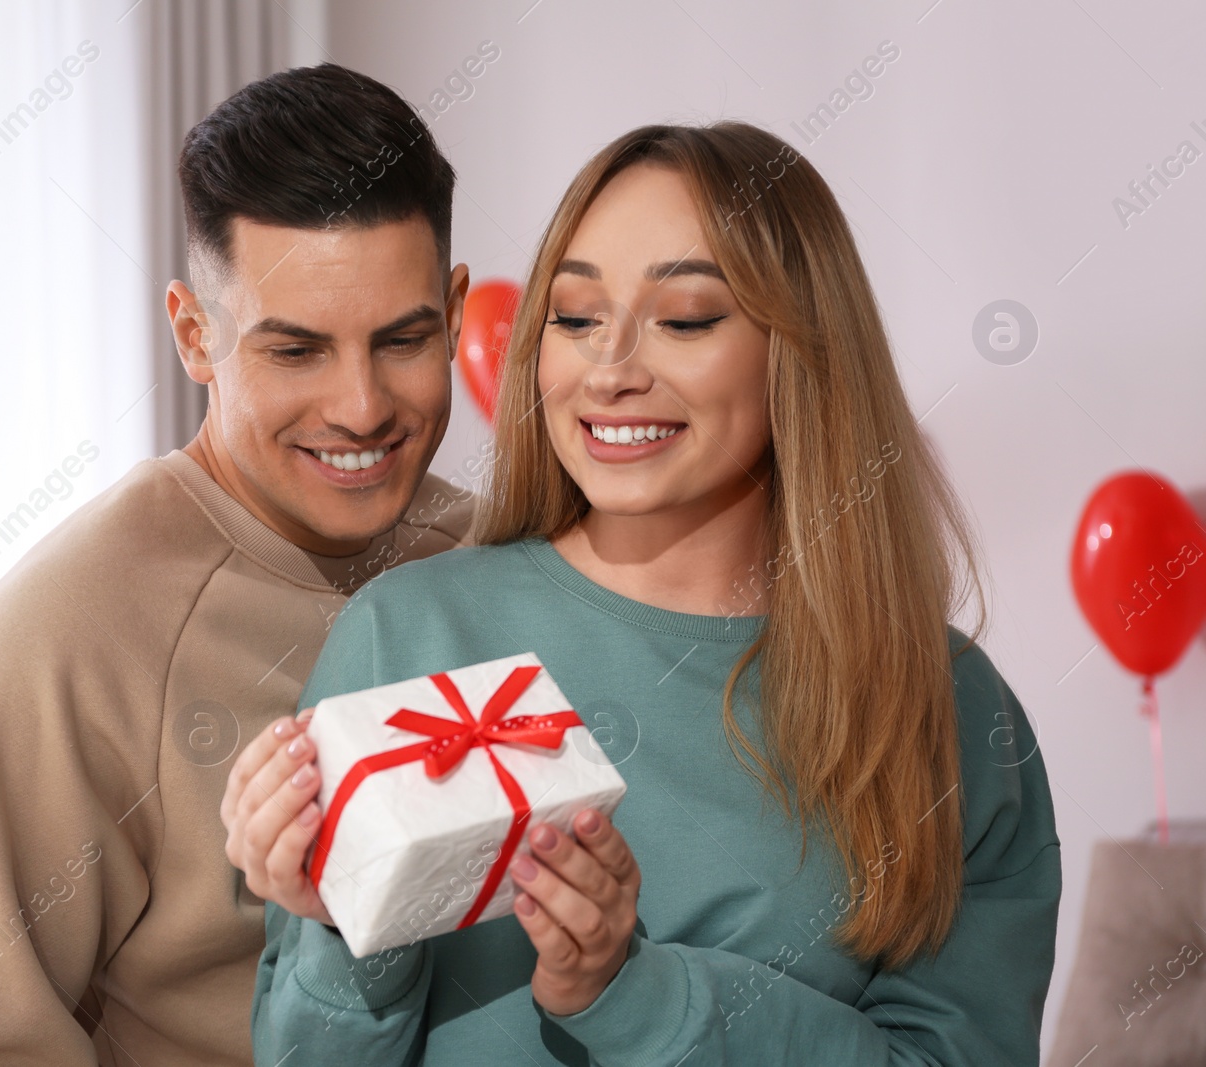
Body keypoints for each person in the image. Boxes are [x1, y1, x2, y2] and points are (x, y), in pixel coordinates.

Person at [223, 122, 1061, 1065]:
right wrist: (344, 923)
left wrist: (636, 994)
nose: (612, 370)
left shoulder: (950, 706)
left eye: (686, 318)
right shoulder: (406, 631)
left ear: (804, 353)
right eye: (575, 319)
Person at [0, 64, 475, 1067]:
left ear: (453, 312)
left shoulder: (509, 556)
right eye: (296, 351)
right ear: (195, 333)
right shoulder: (52, 640)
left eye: (402, 340)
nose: (362, 406)